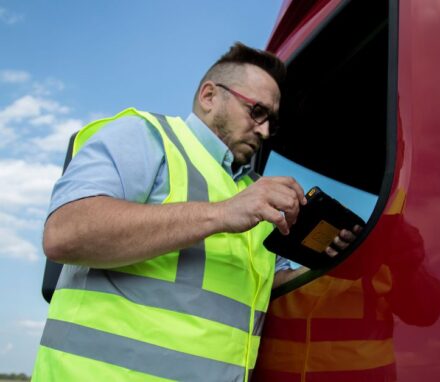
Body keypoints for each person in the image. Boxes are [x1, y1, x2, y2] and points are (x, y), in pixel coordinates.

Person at [32, 42, 359, 382]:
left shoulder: (256, 193)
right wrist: (221, 213)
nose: (264, 131)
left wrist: (335, 263)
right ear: (208, 96)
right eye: (256, 111)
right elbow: (65, 233)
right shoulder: (146, 137)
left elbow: (266, 288)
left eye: (271, 123)